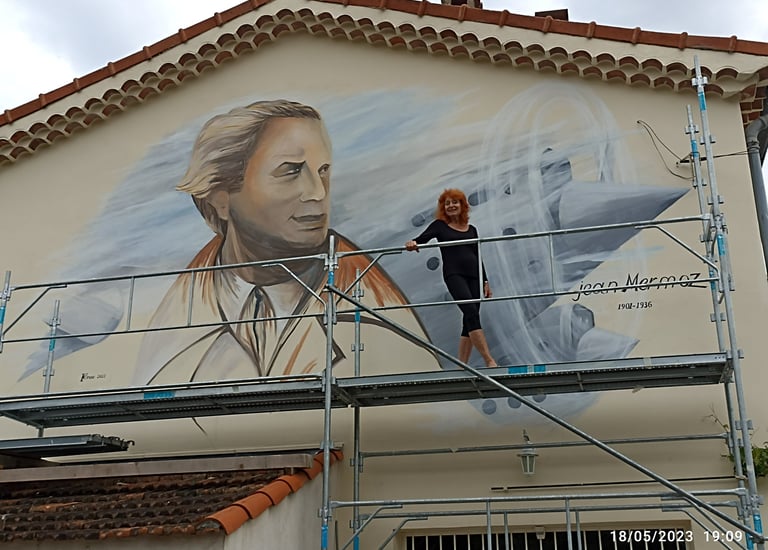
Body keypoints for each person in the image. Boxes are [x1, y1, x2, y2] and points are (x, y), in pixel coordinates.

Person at [134, 99, 431, 384]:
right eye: (291, 170)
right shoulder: (165, 326)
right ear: (221, 198)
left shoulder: (385, 328)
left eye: (323, 171)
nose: (318, 193)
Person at [405, 189, 498, 367]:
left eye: (454, 202)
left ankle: (462, 364)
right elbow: (421, 239)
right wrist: (413, 243)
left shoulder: (472, 230)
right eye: (447, 203)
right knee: (470, 312)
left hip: (474, 276)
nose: (451, 206)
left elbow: (477, 255)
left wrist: (485, 281)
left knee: (469, 319)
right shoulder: (440, 226)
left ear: (462, 205)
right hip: (454, 275)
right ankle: (489, 360)